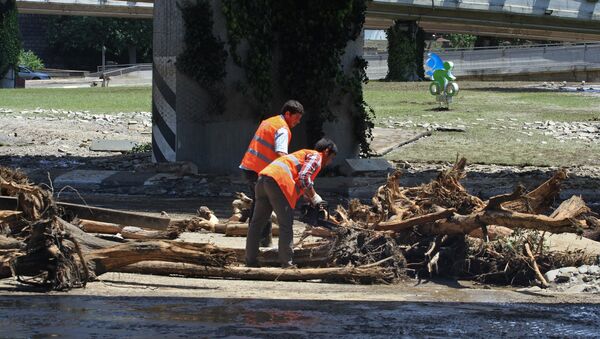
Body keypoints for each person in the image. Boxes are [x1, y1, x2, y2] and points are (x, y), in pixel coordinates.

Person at [245, 138, 337, 268]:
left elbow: (300, 181)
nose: (329, 162)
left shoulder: (302, 154)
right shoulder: (316, 156)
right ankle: (286, 263)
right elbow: (304, 177)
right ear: (327, 151)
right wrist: (316, 198)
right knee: (286, 225)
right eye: (331, 158)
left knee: (256, 224)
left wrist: (309, 197)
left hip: (262, 180)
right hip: (277, 183)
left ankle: (250, 261)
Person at [239, 100, 304, 247]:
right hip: (259, 170)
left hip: (250, 167)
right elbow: (281, 153)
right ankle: (262, 244)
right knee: (264, 206)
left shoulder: (269, 122)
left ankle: (256, 244)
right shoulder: (282, 129)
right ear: (288, 114)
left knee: (260, 205)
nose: (298, 121)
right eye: (297, 117)